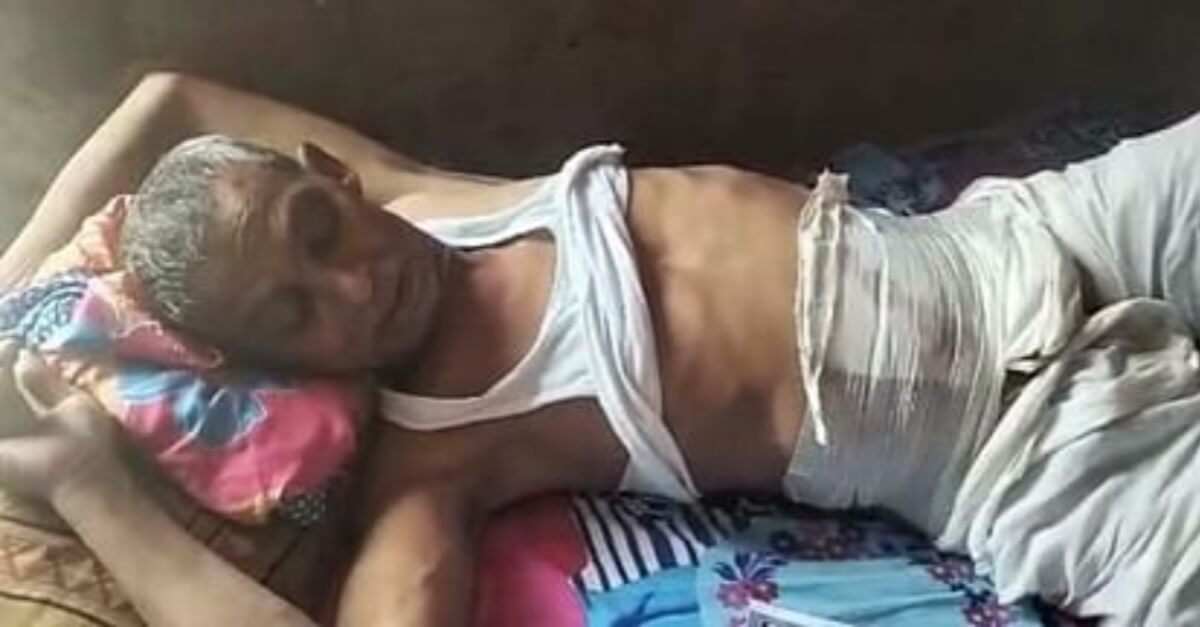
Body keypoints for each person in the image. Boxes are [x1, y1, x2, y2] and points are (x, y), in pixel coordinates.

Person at [1, 71, 1199, 626]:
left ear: (333, 176)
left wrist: (7, 298)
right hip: (1027, 453)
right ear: (284, 366)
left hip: (1033, 231)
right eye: (297, 315)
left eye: (320, 232)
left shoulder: (431, 199)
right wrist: (92, 488)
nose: (353, 286)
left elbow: (165, 100)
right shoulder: (433, 466)